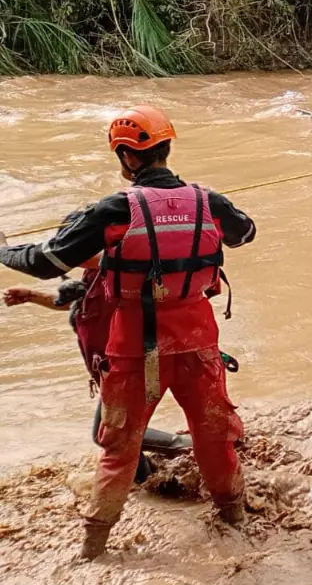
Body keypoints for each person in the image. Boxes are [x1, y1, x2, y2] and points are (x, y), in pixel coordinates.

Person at [0, 105, 257, 560]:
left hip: (136, 346)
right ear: (166, 147)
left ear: (126, 156)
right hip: (199, 341)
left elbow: (45, 262)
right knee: (213, 435)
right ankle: (234, 519)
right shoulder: (208, 201)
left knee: (119, 448)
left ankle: (93, 550)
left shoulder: (114, 209)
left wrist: (4, 251)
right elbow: (245, 234)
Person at [3, 273, 193, 485]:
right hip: (114, 369)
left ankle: (167, 471)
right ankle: (161, 473)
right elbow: (83, 303)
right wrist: (32, 296)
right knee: (117, 433)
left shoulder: (116, 271)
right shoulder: (97, 274)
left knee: (111, 434)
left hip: (126, 368)